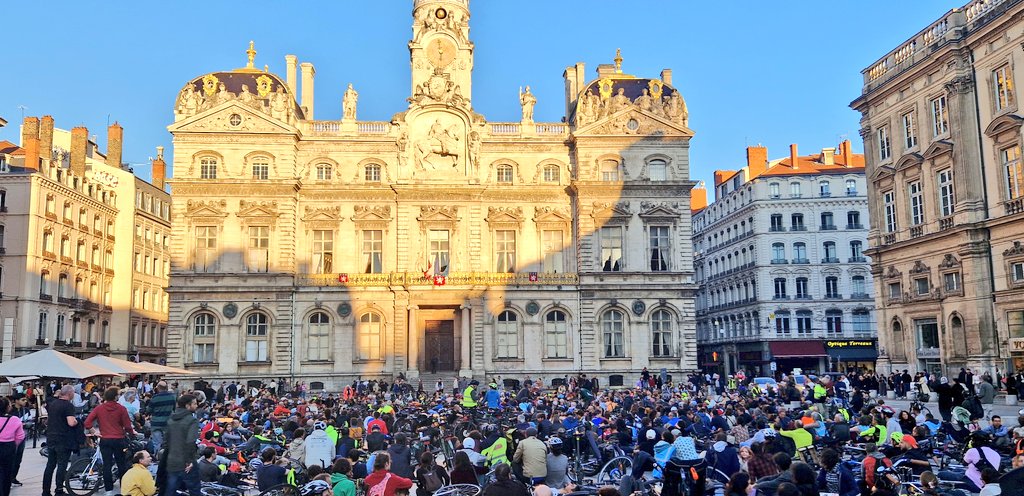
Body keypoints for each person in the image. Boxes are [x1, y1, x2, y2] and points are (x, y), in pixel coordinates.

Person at [85, 386, 136, 496]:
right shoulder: (121, 409)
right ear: (116, 396)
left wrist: (94, 432)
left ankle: (108, 490)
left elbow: (87, 422)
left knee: (106, 465)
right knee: (121, 464)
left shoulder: (99, 408)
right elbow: (127, 426)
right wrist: (132, 433)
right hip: (119, 439)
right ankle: (124, 488)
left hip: (105, 439)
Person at [42, 385, 79, 496]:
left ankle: (45, 491)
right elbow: (71, 422)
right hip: (63, 439)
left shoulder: (53, 404)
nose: (74, 395)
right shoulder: (68, 406)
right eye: (73, 393)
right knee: (62, 465)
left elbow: (47, 421)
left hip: (51, 438)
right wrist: (77, 421)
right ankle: (59, 490)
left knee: (50, 465)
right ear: (69, 393)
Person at [164, 394, 201, 496]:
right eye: (194, 403)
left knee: (170, 490)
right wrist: (189, 461)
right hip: (186, 462)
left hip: (172, 460)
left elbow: (166, 441)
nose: (196, 405)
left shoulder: (171, 419)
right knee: (194, 490)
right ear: (187, 406)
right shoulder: (191, 420)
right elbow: (190, 442)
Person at [0, 396, 24, 496]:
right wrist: (14, 445)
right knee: (7, 472)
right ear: (7, 407)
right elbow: (20, 436)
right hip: (8, 447)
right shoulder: (14, 420)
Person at [147, 381, 175, 455]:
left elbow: (148, 410)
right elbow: (174, 409)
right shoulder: (172, 397)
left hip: (156, 423)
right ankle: (166, 458)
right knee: (167, 443)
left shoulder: (155, 398)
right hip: (168, 422)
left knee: (157, 442)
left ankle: (157, 457)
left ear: (158, 388)